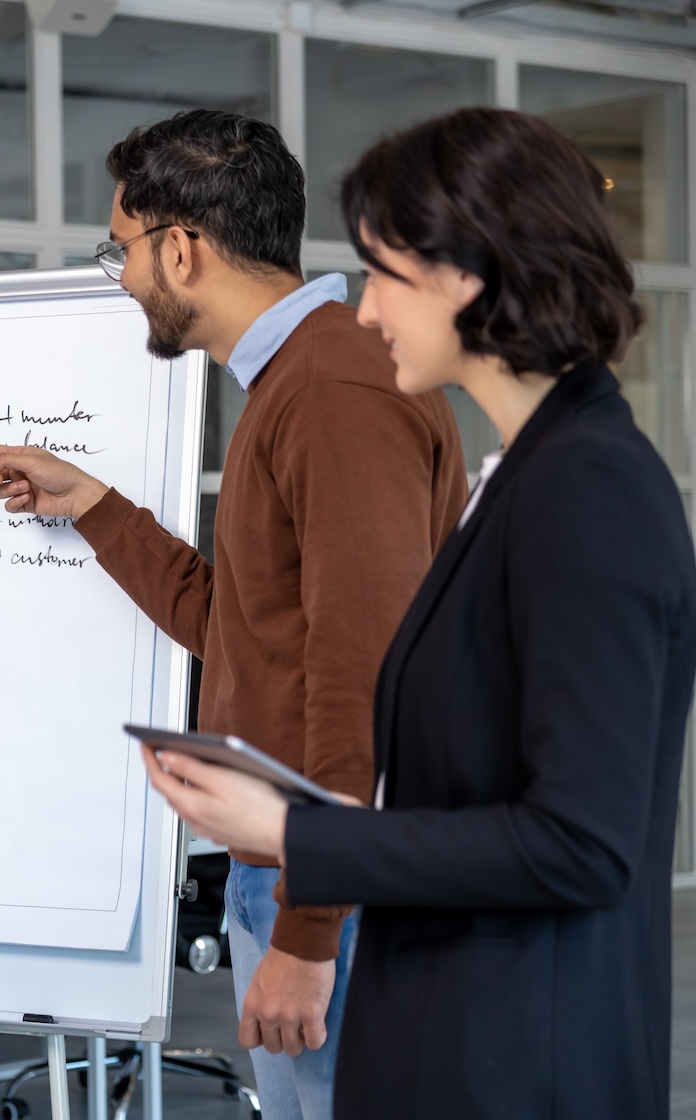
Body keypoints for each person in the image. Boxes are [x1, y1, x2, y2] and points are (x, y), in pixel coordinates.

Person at [143, 106, 696, 1120]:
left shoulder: (589, 489)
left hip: (524, 1057)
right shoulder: (528, 476)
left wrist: (300, 840)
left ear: (470, 277)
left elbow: (580, 841)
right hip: (473, 1029)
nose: (363, 312)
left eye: (385, 274)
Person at [0, 109, 467, 1120]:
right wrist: (97, 508)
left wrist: (308, 928)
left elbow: (366, 671)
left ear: (185, 249)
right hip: (309, 876)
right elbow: (241, 627)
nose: (124, 275)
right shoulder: (295, 380)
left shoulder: (332, 388)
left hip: (335, 889)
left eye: (125, 247)